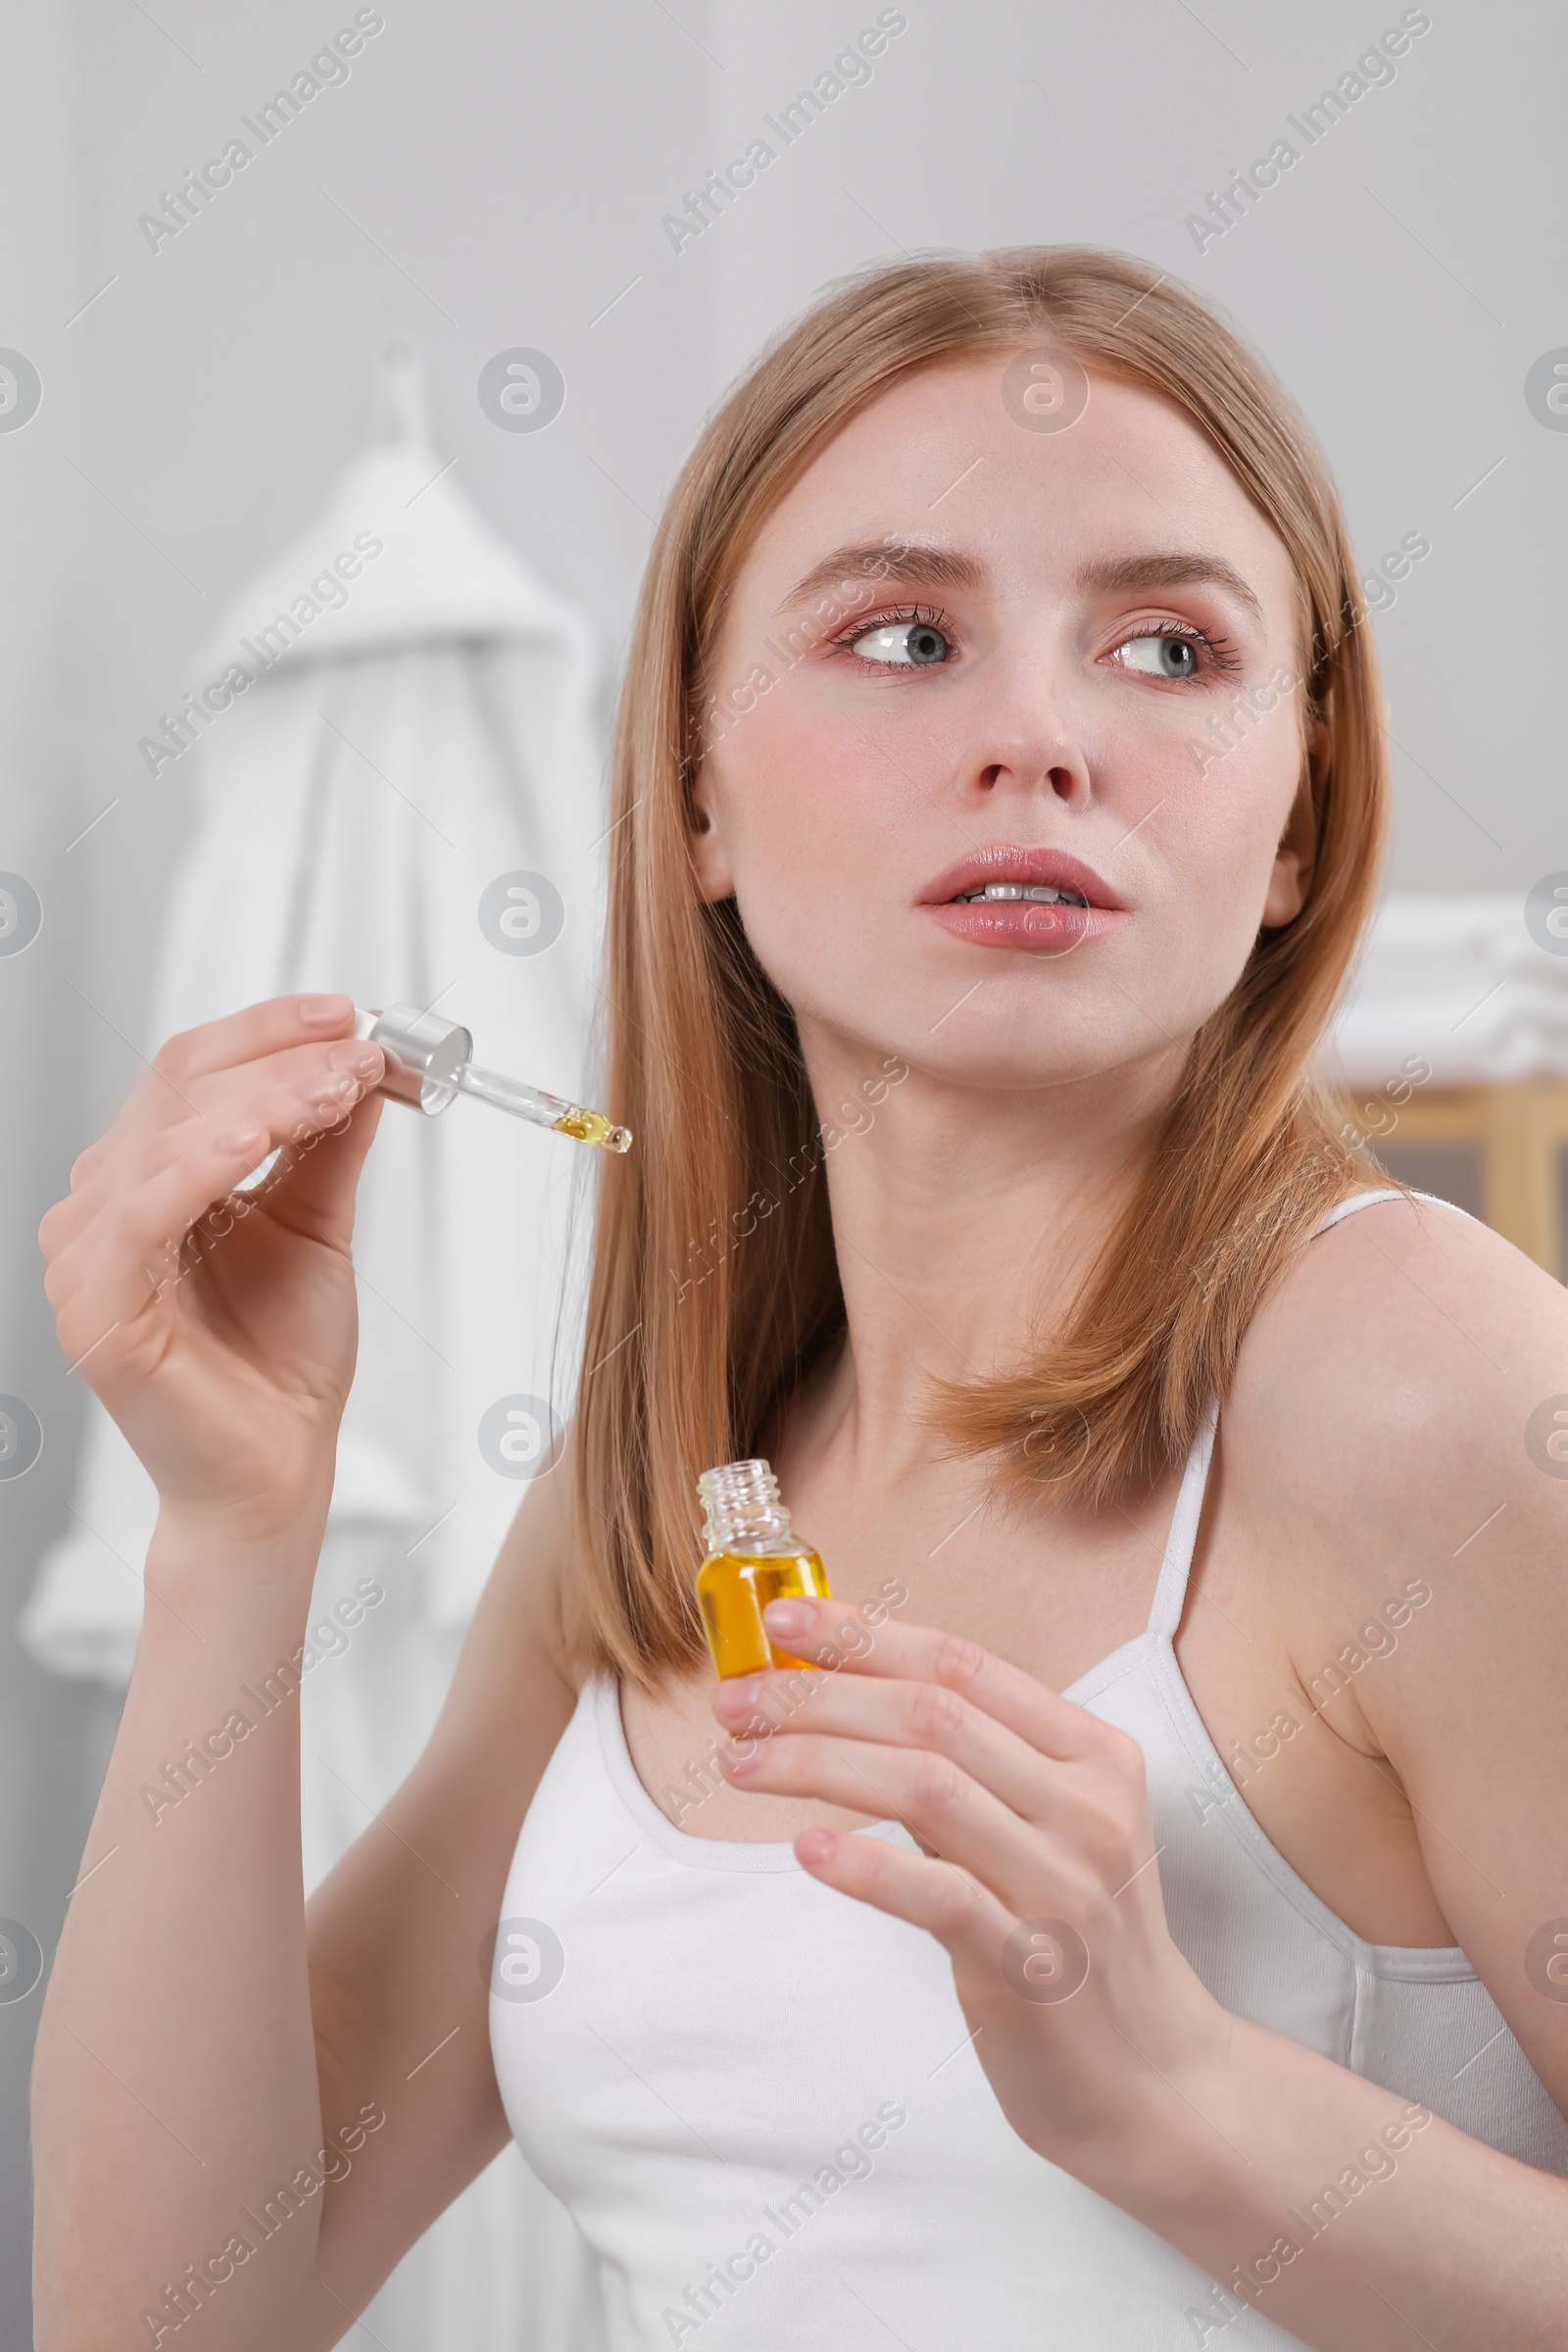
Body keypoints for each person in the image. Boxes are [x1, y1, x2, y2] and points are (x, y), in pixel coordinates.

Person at [32, 248, 1568, 2350]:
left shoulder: (1437, 1403)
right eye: (903, 634)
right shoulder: (663, 1494)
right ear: (689, 797)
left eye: (1165, 645)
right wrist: (229, 1524)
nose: (1036, 736)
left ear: (1298, 812)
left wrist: (1178, 2107)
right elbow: (176, 2317)